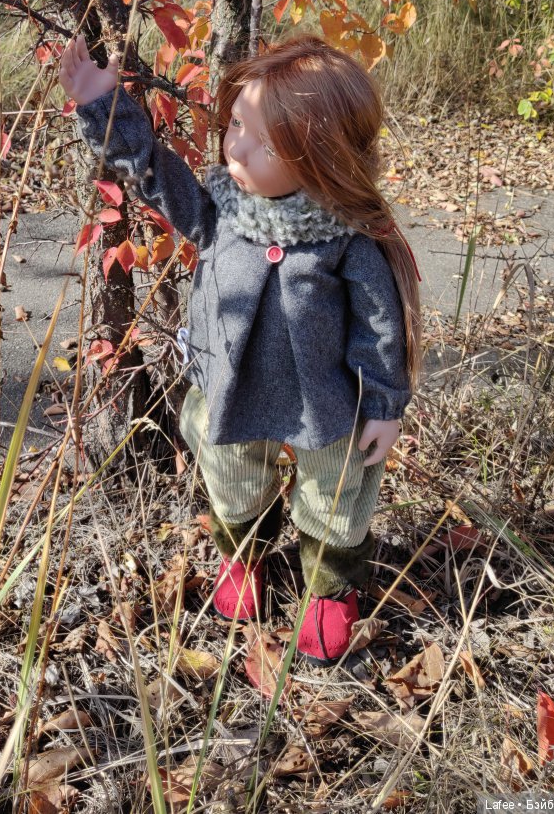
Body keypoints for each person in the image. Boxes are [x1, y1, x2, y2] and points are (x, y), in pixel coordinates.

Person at [59, 33, 421, 666]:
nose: (236, 145)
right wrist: (105, 107)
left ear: (322, 153)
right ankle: (243, 556)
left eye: (266, 140)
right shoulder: (217, 210)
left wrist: (384, 402)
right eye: (233, 125)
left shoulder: (347, 238)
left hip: (329, 399)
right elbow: (149, 172)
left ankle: (330, 588)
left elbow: (379, 326)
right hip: (227, 385)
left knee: (337, 489)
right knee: (232, 479)